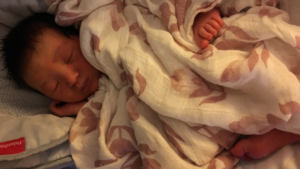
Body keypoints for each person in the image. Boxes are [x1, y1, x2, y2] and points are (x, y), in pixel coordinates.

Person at [1, 10, 300, 163]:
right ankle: (275, 130)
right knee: (165, 126)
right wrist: (80, 109)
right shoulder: (100, 93)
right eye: (53, 85)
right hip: (169, 102)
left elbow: (154, 8)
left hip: (180, 51)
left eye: (67, 57)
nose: (71, 78)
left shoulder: (101, 26)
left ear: (73, 34)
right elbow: (112, 100)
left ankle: (278, 119)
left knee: (239, 67)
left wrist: (192, 17)